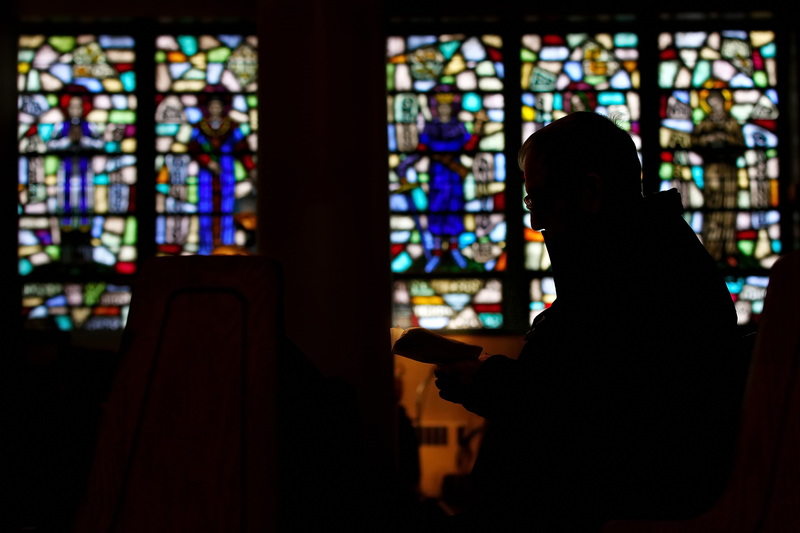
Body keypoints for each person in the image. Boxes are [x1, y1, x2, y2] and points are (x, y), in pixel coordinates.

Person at [432, 112, 745, 531]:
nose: (535, 222)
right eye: (529, 203)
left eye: (540, 200)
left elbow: (603, 422)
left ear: (591, 192)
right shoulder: (632, 254)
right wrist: (491, 383)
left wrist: (491, 384)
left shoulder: (644, 275)